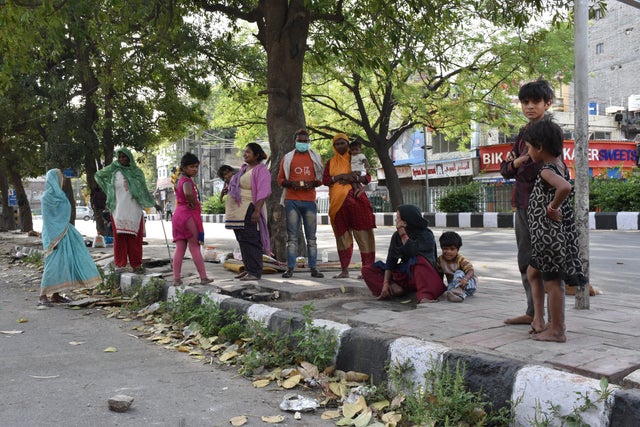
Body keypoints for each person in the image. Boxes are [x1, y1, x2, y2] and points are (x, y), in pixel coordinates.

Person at [524, 118, 587, 342]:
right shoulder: (560, 164)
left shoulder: (547, 170)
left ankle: (557, 329)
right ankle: (539, 320)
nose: (528, 151)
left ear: (540, 147)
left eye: (529, 147)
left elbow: (565, 187)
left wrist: (552, 207)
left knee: (552, 282)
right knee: (533, 272)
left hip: (549, 237)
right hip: (547, 237)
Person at [499, 79, 554, 326]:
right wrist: (517, 162)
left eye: (535, 102)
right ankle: (533, 313)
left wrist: (517, 162)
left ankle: (550, 321)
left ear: (547, 103)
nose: (529, 106)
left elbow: (539, 163)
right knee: (526, 260)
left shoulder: (550, 131)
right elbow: (506, 169)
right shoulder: (523, 133)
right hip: (522, 202)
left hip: (543, 203)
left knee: (546, 263)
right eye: (525, 102)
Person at [38, 169, 102, 307]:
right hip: (53, 235)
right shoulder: (46, 198)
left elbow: (65, 216)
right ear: (54, 180)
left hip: (65, 232)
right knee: (52, 265)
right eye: (61, 177)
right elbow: (49, 220)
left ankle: (56, 295)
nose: (64, 180)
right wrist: (53, 240)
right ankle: (43, 296)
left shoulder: (61, 196)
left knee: (65, 264)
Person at [361, 204, 446, 304]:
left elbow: (412, 251)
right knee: (367, 270)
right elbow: (391, 261)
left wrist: (403, 233)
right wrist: (386, 283)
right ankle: (393, 290)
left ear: (406, 221)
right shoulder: (396, 236)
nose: (396, 221)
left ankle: (425, 296)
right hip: (404, 275)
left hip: (422, 275)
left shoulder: (426, 234)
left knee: (418, 260)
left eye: (398, 218)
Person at [322, 133, 376, 279]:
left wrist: (355, 178)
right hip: (338, 206)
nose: (340, 146)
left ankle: (368, 271)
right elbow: (325, 180)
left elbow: (368, 177)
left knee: (364, 235)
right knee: (342, 237)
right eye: (337, 144)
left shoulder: (356, 157)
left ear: (348, 144)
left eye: (343, 143)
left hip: (358, 203)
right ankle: (344, 270)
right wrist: (341, 177)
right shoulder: (330, 162)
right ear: (334, 146)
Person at [95, 147, 157, 273]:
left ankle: (136, 265)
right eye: (120, 157)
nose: (122, 159)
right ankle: (120, 265)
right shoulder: (114, 172)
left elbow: (143, 191)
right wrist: (113, 168)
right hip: (117, 209)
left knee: (134, 240)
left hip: (134, 210)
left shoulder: (137, 172)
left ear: (130, 158)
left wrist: (154, 204)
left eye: (125, 157)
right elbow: (99, 175)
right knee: (119, 239)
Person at [278, 129, 324, 279]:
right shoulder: (288, 158)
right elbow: (280, 180)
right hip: (292, 200)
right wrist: (291, 184)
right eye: (300, 141)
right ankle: (290, 268)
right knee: (292, 237)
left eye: (305, 141)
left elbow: (321, 178)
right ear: (295, 141)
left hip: (310, 201)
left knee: (312, 238)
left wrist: (313, 183)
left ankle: (314, 268)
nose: (303, 143)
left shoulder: (315, 157)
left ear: (309, 142)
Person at [225, 143, 272, 281]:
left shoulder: (261, 170)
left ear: (257, 155)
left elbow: (263, 192)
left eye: (248, 152)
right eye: (244, 152)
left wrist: (257, 211)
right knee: (242, 240)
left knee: (251, 240)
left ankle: (255, 272)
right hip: (237, 212)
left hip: (250, 208)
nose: (245, 154)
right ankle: (248, 268)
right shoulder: (244, 169)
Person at [171, 153, 213, 286]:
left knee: (180, 248)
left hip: (178, 215)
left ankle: (176, 279)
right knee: (194, 246)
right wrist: (192, 202)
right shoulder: (187, 181)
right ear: (183, 167)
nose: (194, 169)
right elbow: (188, 192)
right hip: (188, 215)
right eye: (191, 167)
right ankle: (203, 277)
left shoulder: (178, 180)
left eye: (196, 167)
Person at [436, 231, 478, 303]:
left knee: (458, 272)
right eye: (445, 248)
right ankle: (459, 297)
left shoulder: (460, 259)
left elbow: (471, 270)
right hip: (454, 286)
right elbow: (440, 275)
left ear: (457, 250)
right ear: (442, 248)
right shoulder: (440, 260)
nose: (448, 252)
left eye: (452, 249)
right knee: (449, 289)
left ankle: (458, 290)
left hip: (469, 283)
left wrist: (465, 279)